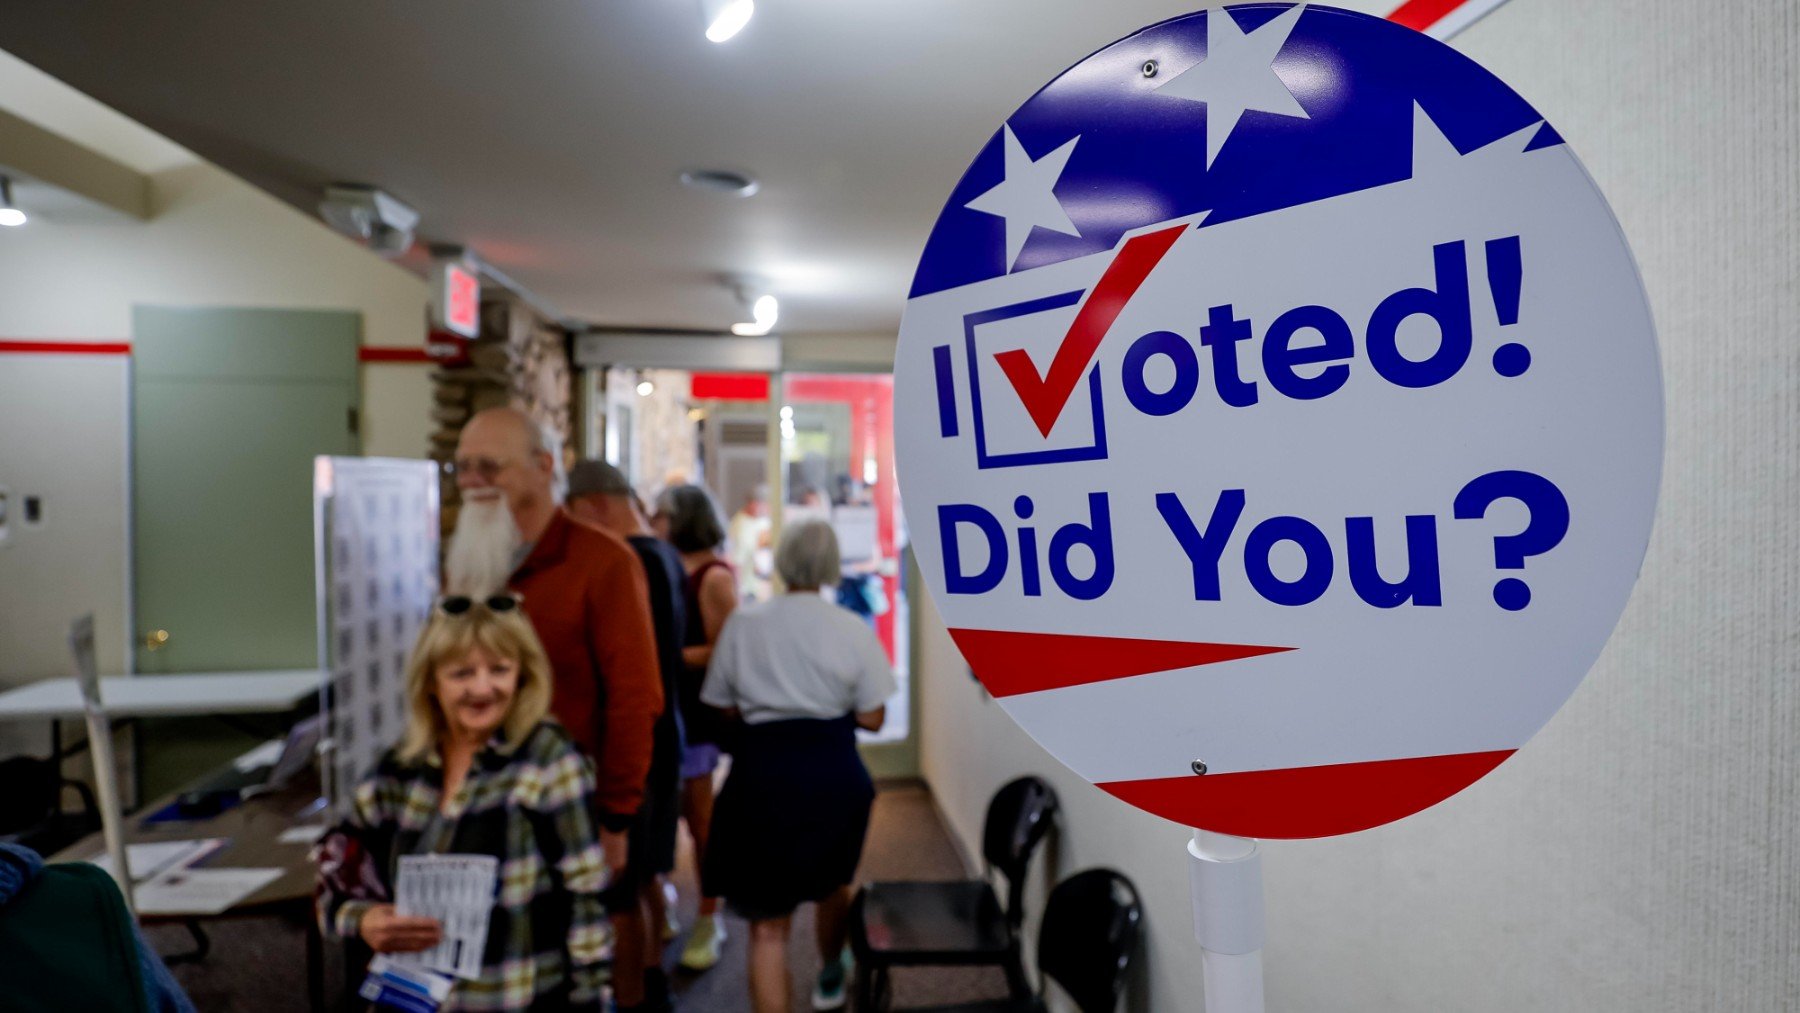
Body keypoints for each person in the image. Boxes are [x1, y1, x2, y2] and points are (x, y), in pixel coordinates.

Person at [325, 596, 610, 1011]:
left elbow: (587, 899)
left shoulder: (549, 761)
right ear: (431, 681)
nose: (482, 688)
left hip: (514, 998)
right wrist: (360, 919)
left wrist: (592, 1001)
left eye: (499, 669)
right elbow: (334, 870)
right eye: (461, 673)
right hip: (410, 1000)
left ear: (523, 676)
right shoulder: (400, 768)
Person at [448, 408, 663, 901]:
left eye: (489, 466)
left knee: (600, 940)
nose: (472, 480)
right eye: (461, 466)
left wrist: (616, 817)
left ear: (543, 466)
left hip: (572, 802)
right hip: (480, 803)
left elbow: (635, 696)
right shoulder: (466, 561)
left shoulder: (604, 562)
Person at [698, 520, 897, 1013]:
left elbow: (720, 703)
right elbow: (873, 717)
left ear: (781, 562)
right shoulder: (850, 627)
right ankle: (831, 974)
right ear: (832, 566)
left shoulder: (745, 624)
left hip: (761, 778)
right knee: (833, 885)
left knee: (767, 929)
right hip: (834, 777)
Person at [565, 460, 687, 1013]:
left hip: (637, 747)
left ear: (594, 506)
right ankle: (652, 979)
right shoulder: (665, 557)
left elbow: (633, 683)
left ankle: (638, 991)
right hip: (662, 742)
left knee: (622, 891)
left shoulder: (630, 561)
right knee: (643, 880)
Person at [651, 483, 738, 972]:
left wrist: (662, 659)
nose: (654, 522)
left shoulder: (712, 576)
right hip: (666, 707)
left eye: (661, 514)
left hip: (694, 714)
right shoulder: (664, 564)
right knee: (660, 814)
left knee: (699, 822)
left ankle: (710, 915)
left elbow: (725, 650)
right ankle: (664, 901)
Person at [726, 485, 771, 601]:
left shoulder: (764, 521)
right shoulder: (740, 526)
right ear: (754, 504)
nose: (768, 509)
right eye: (765, 505)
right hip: (745, 590)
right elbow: (736, 562)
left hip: (763, 587)